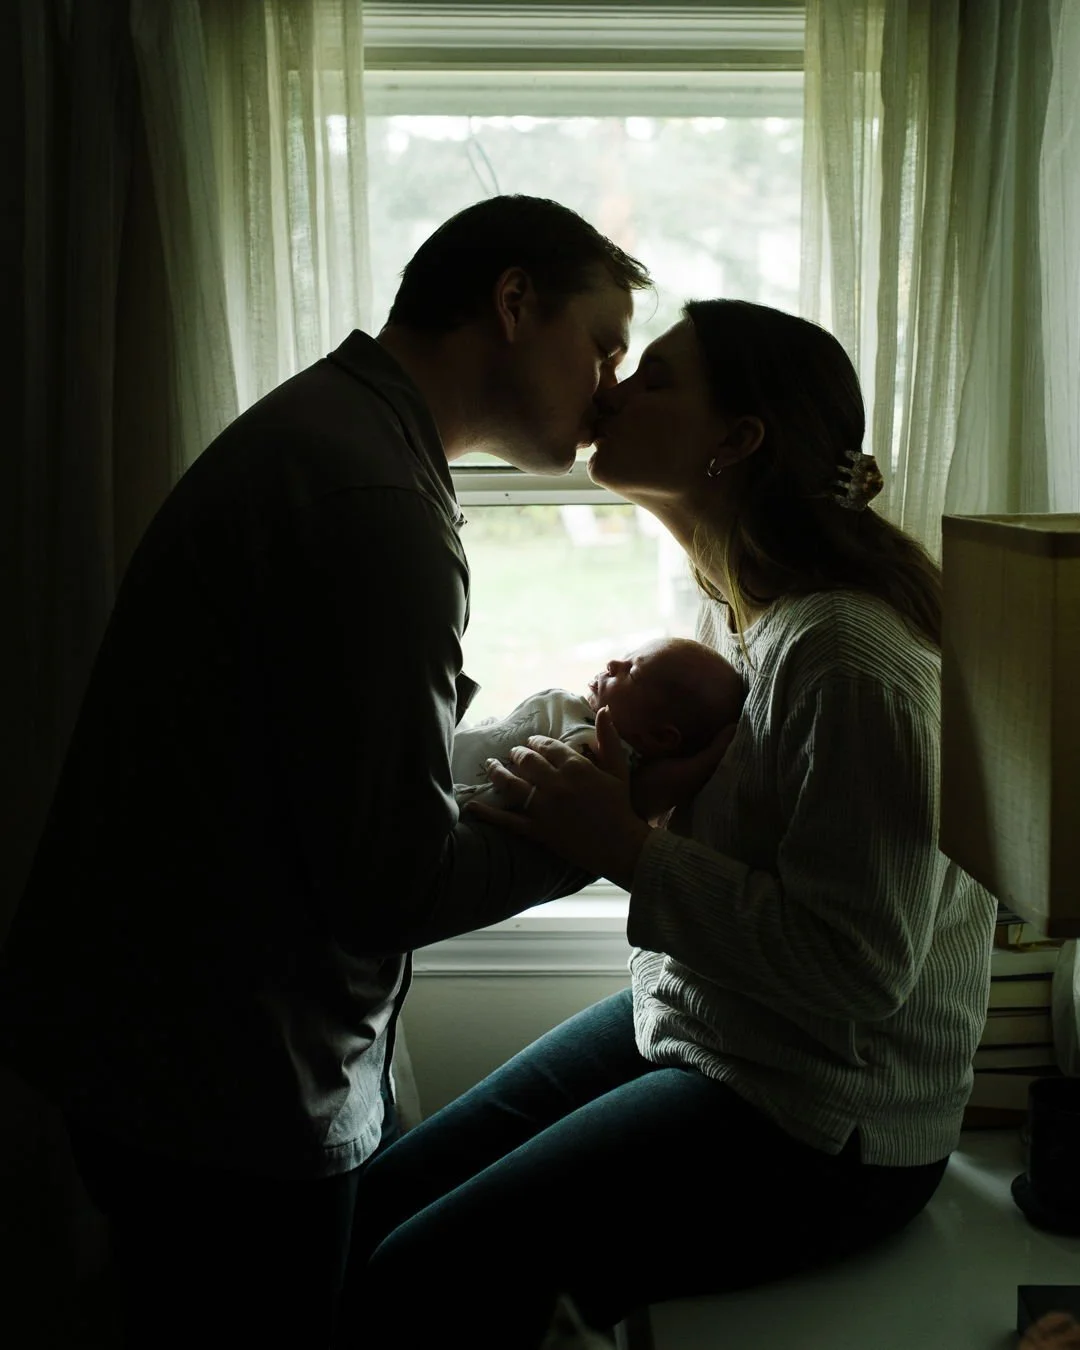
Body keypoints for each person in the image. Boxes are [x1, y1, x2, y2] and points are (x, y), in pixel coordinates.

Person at [0, 196, 656, 1349]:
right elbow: (388, 882)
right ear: (512, 305)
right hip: (219, 1089)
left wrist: (546, 748)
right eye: (601, 344)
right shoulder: (378, 507)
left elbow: (332, 771)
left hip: (157, 1056)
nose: (611, 388)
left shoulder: (339, 437)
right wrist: (611, 828)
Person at [338, 300, 999, 1348]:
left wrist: (628, 850)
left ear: (736, 443)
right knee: (361, 1215)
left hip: (825, 1128)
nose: (611, 392)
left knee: (416, 1278)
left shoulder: (845, 653)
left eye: (652, 379)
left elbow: (862, 967)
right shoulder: (738, 613)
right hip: (707, 1022)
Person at [452, 637, 745, 805]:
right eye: (626, 657)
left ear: (659, 737)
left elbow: (652, 792)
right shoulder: (582, 718)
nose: (612, 664)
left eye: (632, 672)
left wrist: (709, 759)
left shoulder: (594, 754)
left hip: (442, 783)